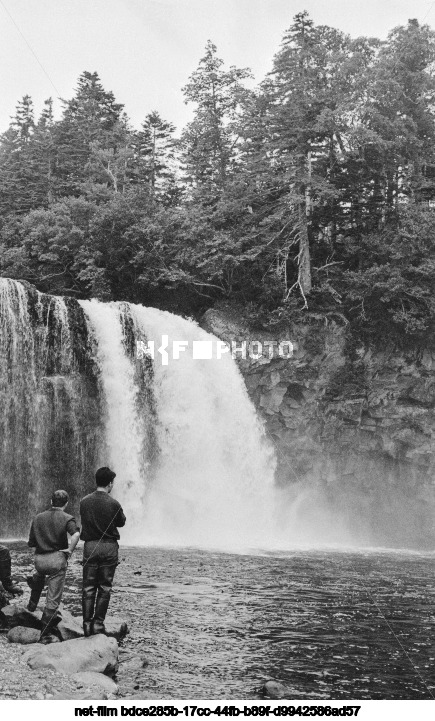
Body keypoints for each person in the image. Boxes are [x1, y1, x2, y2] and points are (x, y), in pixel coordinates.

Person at [27, 490, 80, 643]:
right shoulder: (67, 518)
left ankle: (32, 604)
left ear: (51, 502)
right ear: (67, 503)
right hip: (56, 560)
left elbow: (31, 543)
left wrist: (38, 557)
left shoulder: (37, 517)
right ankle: (45, 635)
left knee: (39, 574)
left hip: (39, 560)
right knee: (53, 598)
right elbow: (76, 535)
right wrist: (69, 550)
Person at [80, 467, 126, 637]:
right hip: (108, 547)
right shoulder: (114, 503)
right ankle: (98, 624)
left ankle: (86, 625)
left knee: (88, 587)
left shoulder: (84, 501)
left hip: (90, 546)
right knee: (105, 587)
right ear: (110, 483)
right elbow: (121, 523)